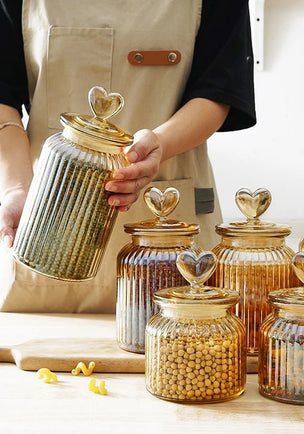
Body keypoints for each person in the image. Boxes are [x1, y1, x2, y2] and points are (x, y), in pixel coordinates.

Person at [0, 0, 256, 312]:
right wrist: (16, 188)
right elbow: (3, 97)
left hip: (171, 231)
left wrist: (159, 144)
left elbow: (218, 92)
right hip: (47, 225)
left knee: (180, 347)